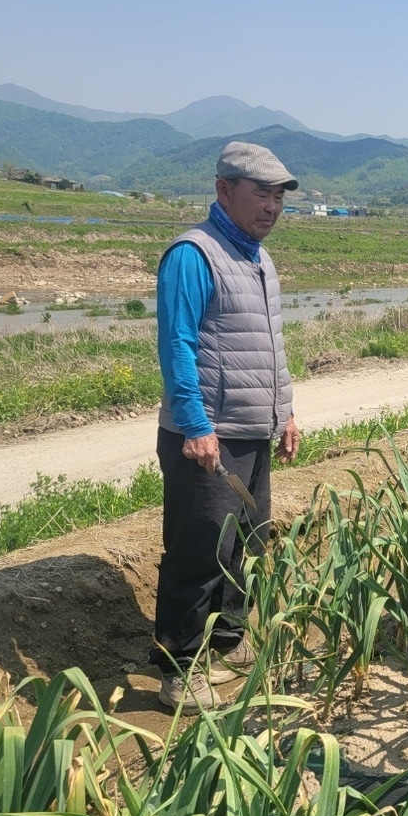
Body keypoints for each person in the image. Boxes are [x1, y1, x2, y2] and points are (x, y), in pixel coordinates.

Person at [153, 141, 301, 713]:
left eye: (279, 196)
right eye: (260, 193)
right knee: (199, 547)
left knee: (247, 537)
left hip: (252, 428)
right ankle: (179, 665)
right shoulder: (194, 254)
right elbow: (178, 347)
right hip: (208, 433)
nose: (271, 206)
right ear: (223, 191)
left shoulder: (259, 258)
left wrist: (283, 410)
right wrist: (194, 424)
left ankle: (227, 637)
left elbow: (269, 346)